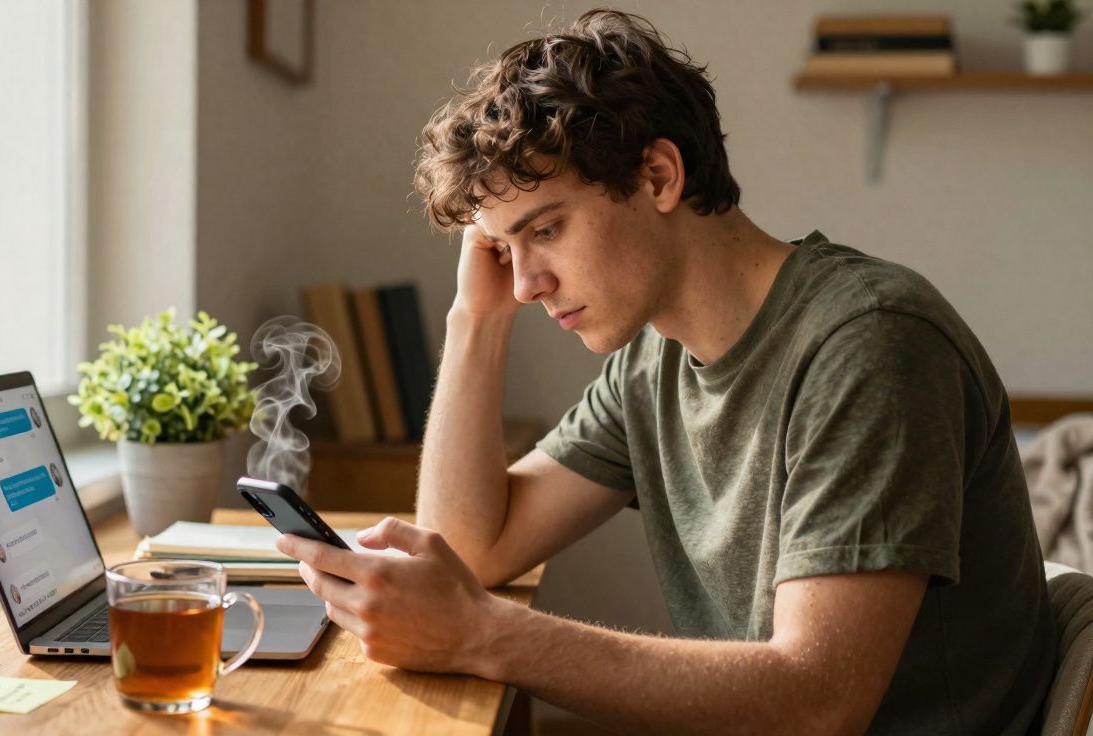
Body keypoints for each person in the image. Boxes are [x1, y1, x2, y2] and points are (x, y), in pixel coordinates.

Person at [274, 9, 1055, 734]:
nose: (524, 282)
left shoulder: (871, 344)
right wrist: (474, 322)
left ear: (657, 177)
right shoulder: (655, 360)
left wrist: (482, 636)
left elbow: (820, 702)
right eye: (503, 249)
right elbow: (472, 549)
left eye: (544, 229)